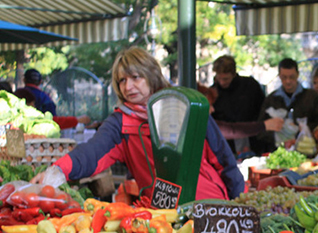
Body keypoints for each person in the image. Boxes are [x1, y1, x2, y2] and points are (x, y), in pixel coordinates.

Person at [32, 47, 244, 200]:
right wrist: (58, 171)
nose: (128, 86)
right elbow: (93, 152)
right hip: (164, 216)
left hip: (209, 204)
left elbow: (223, 159)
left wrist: (239, 202)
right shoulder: (120, 123)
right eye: (122, 81)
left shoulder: (186, 107)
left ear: (151, 76)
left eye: (135, 77)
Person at [255, 58, 318, 155]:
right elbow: (260, 129)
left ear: (298, 75)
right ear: (279, 76)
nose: (288, 81)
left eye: (291, 77)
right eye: (284, 77)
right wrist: (278, 138)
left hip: (306, 152)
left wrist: (301, 134)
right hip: (278, 153)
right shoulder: (271, 100)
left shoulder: (312, 97)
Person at [211, 55, 265, 155]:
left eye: (226, 79)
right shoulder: (213, 93)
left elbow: (262, 111)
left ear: (233, 74)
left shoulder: (250, 86)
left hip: (254, 140)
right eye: (219, 78)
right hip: (227, 146)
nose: (222, 82)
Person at [14, 88, 93, 130]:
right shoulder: (29, 120)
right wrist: (77, 120)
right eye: (33, 104)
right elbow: (53, 122)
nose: (34, 107)